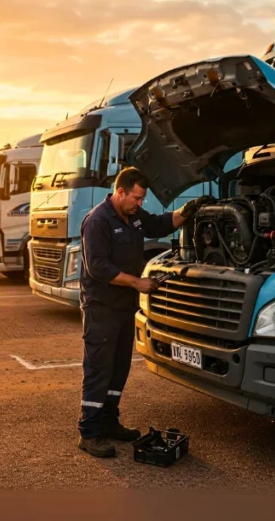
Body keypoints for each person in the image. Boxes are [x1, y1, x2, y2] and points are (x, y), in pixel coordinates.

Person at [77, 167, 209, 458]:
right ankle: (89, 433)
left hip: (124, 307)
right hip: (101, 308)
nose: (140, 203)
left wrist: (187, 211)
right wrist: (139, 283)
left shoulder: (135, 217)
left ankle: (109, 423)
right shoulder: (97, 221)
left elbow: (161, 225)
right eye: (136, 197)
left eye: (142, 199)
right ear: (120, 191)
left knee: (119, 368)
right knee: (99, 370)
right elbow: (97, 268)